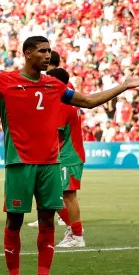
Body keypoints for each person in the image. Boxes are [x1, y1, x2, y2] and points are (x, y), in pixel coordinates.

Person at [0, 36, 139, 275]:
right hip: (19, 163)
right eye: (42, 51)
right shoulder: (6, 82)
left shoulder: (54, 85)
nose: (48, 55)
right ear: (27, 53)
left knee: (48, 220)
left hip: (50, 164)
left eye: (49, 51)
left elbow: (89, 101)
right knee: (13, 221)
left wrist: (123, 87)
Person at [47, 68, 86, 248]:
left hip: (68, 155)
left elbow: (56, 133)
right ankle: (73, 230)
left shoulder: (62, 103)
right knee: (55, 195)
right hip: (68, 154)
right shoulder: (68, 99)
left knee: (68, 196)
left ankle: (77, 236)